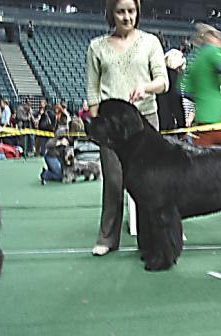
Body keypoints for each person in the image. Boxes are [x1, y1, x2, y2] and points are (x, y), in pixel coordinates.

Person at [87, 0, 168, 256]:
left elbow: (163, 81)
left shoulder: (150, 42)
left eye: (131, 11)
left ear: (138, 12)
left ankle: (151, 238)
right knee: (113, 181)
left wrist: (146, 88)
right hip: (112, 128)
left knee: (151, 183)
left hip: (146, 123)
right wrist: (97, 122)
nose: (126, 16)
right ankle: (107, 238)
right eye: (120, 11)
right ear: (111, 13)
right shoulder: (96, 47)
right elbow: (92, 89)